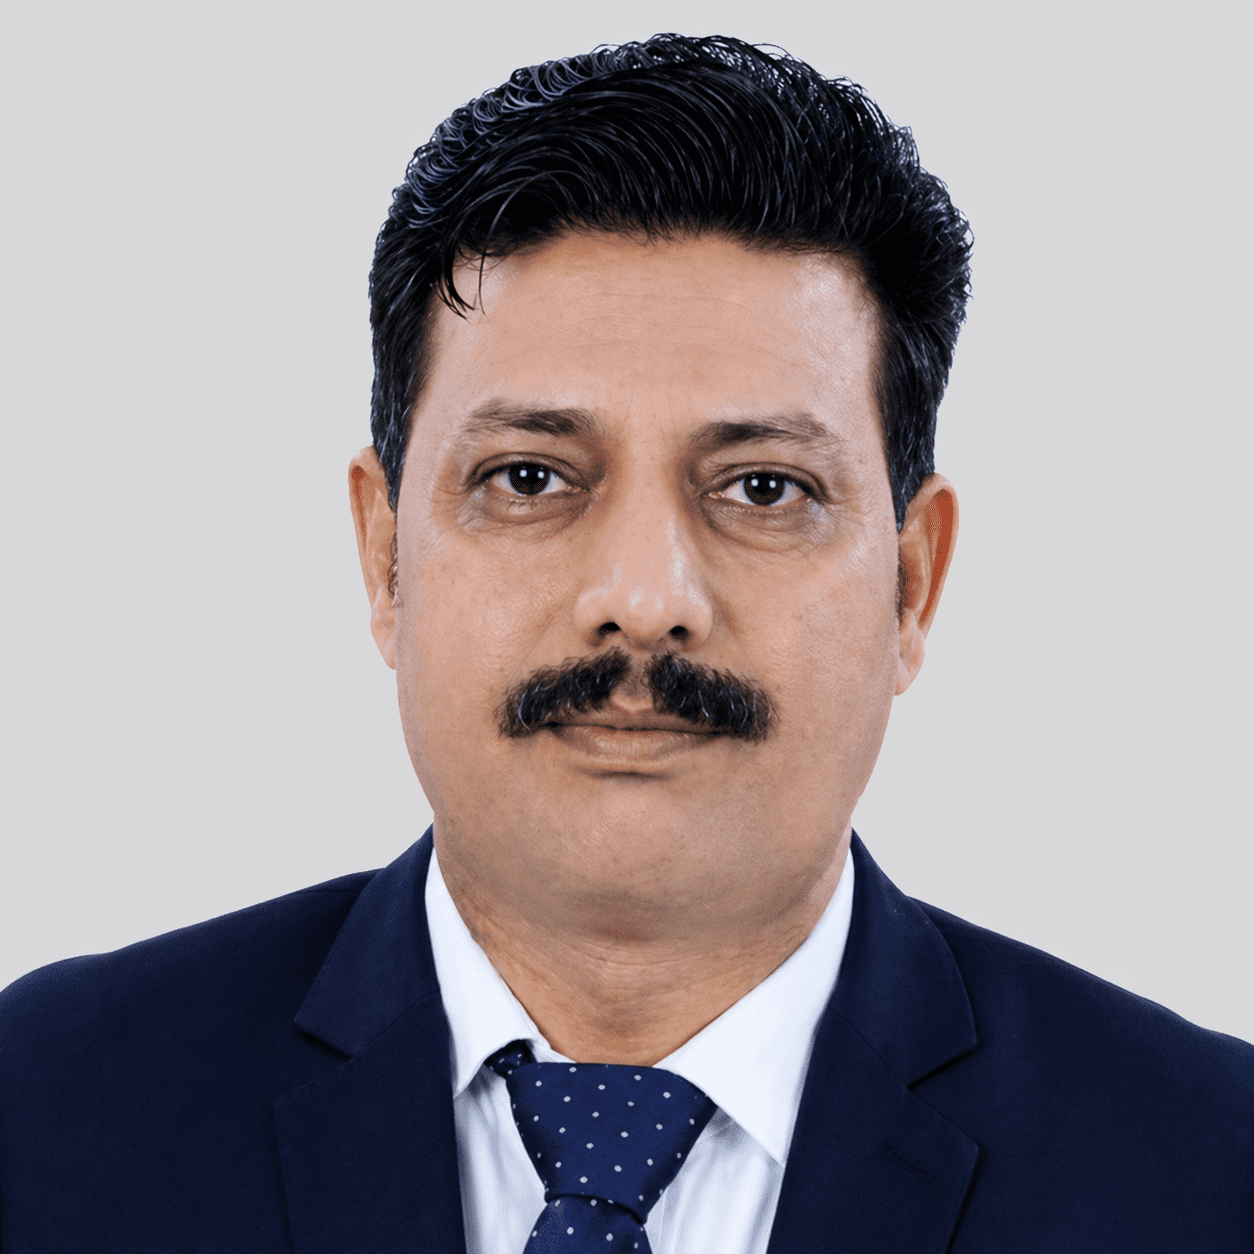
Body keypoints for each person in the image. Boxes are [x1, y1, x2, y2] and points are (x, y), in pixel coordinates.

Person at [0, 32, 1250, 1254]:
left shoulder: (1209, 1173)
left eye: (763, 488)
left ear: (912, 583)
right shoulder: (44, 1115)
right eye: (530, 477)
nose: (646, 600)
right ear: (384, 556)